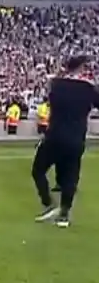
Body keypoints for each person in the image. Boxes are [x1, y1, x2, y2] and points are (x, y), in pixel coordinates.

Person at [31, 55, 99, 228]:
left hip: (54, 135)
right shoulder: (88, 88)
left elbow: (51, 97)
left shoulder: (56, 84)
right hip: (75, 138)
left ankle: (48, 203)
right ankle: (64, 214)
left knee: (38, 170)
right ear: (81, 68)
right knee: (70, 176)